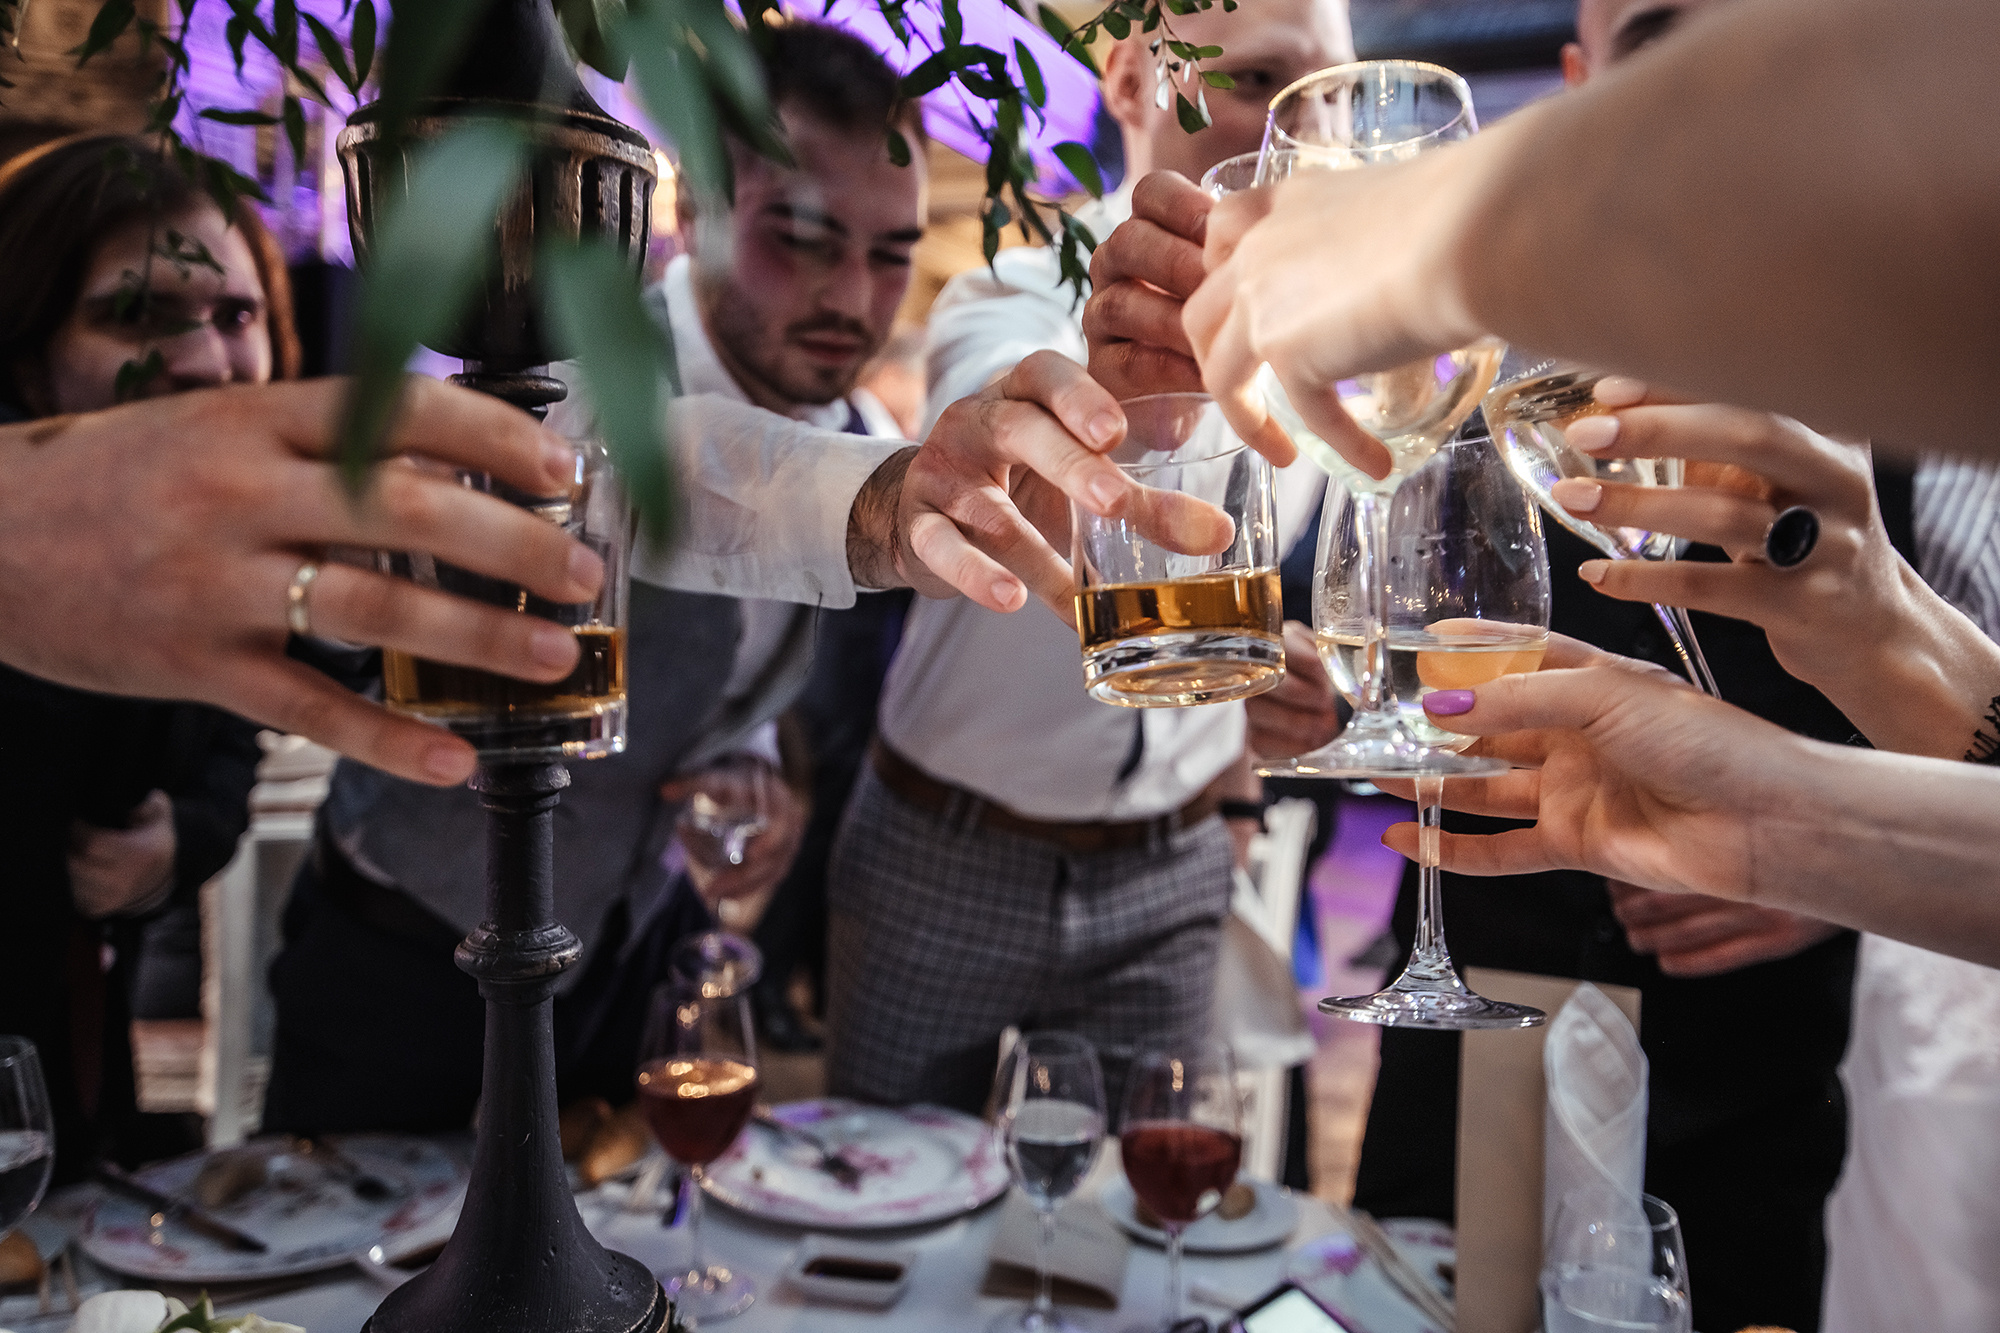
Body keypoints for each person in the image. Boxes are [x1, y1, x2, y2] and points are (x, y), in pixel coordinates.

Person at [260, 21, 922, 1132]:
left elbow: (736, 657)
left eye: (891, 253)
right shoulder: (563, 356)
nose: (852, 298)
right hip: (408, 949)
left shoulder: (851, 429)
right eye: (802, 236)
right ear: (696, 212)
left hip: (627, 948)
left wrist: (746, 758)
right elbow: (651, 468)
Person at [820, 0, 1351, 1115]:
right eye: (1261, 83)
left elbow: (1211, 613)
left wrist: (1256, 715)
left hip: (1172, 868)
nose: (1310, 136)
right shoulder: (1010, 295)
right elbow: (986, 492)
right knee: (891, 1176)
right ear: (1129, 83)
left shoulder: (1317, 359)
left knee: (1139, 1200)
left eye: (1335, 96)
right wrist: (1117, 394)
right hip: (944, 850)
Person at [0, 135, 287, 1179]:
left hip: (76, 1077)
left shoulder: (217, 551)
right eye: (135, 313)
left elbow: (229, 756)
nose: (206, 361)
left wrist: (176, 844)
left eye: (236, 315)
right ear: (25, 350)